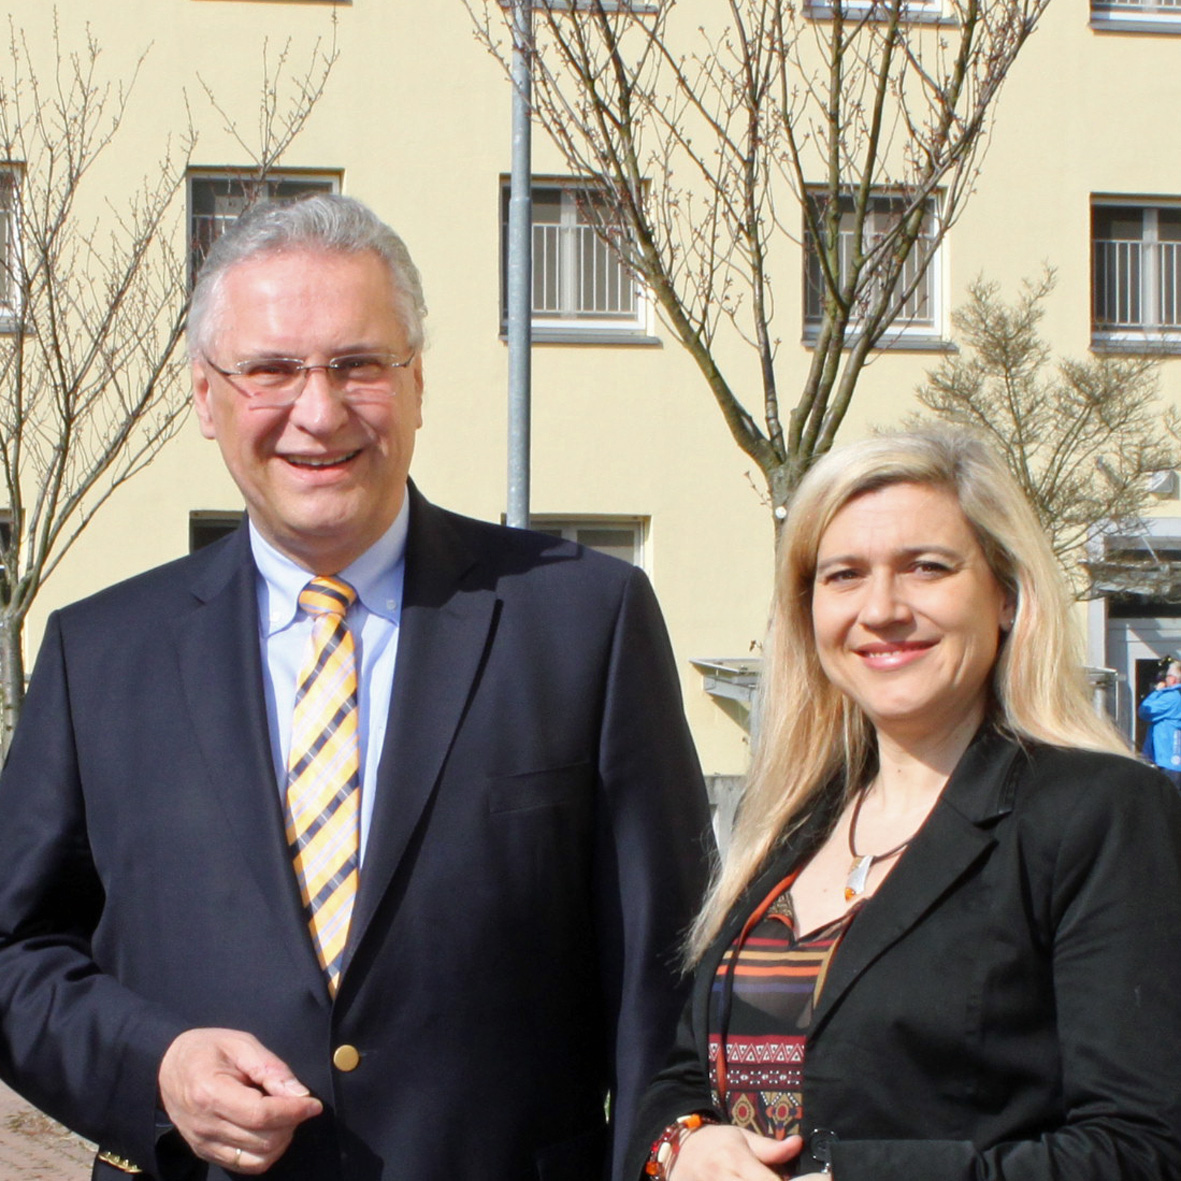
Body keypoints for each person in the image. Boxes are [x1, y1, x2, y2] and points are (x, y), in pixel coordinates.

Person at [0, 194, 714, 1181]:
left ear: (416, 383)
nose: (320, 409)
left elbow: (662, 978)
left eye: (358, 364)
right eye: (271, 369)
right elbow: (14, 954)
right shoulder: (99, 653)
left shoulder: (584, 621)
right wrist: (153, 1066)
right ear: (205, 397)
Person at [628, 428, 1181, 1181]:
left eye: (926, 567)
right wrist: (687, 1141)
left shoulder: (1099, 813)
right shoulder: (793, 822)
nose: (881, 608)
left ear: (1006, 594)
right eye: (843, 575)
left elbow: (1141, 1147)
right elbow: (686, 1074)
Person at [1139, 660, 1181, 787]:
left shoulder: (1172, 697)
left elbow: (1145, 712)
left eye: (1167, 676)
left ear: (1173, 680)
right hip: (1173, 757)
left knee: (1169, 797)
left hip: (1168, 758)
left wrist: (1156, 692)